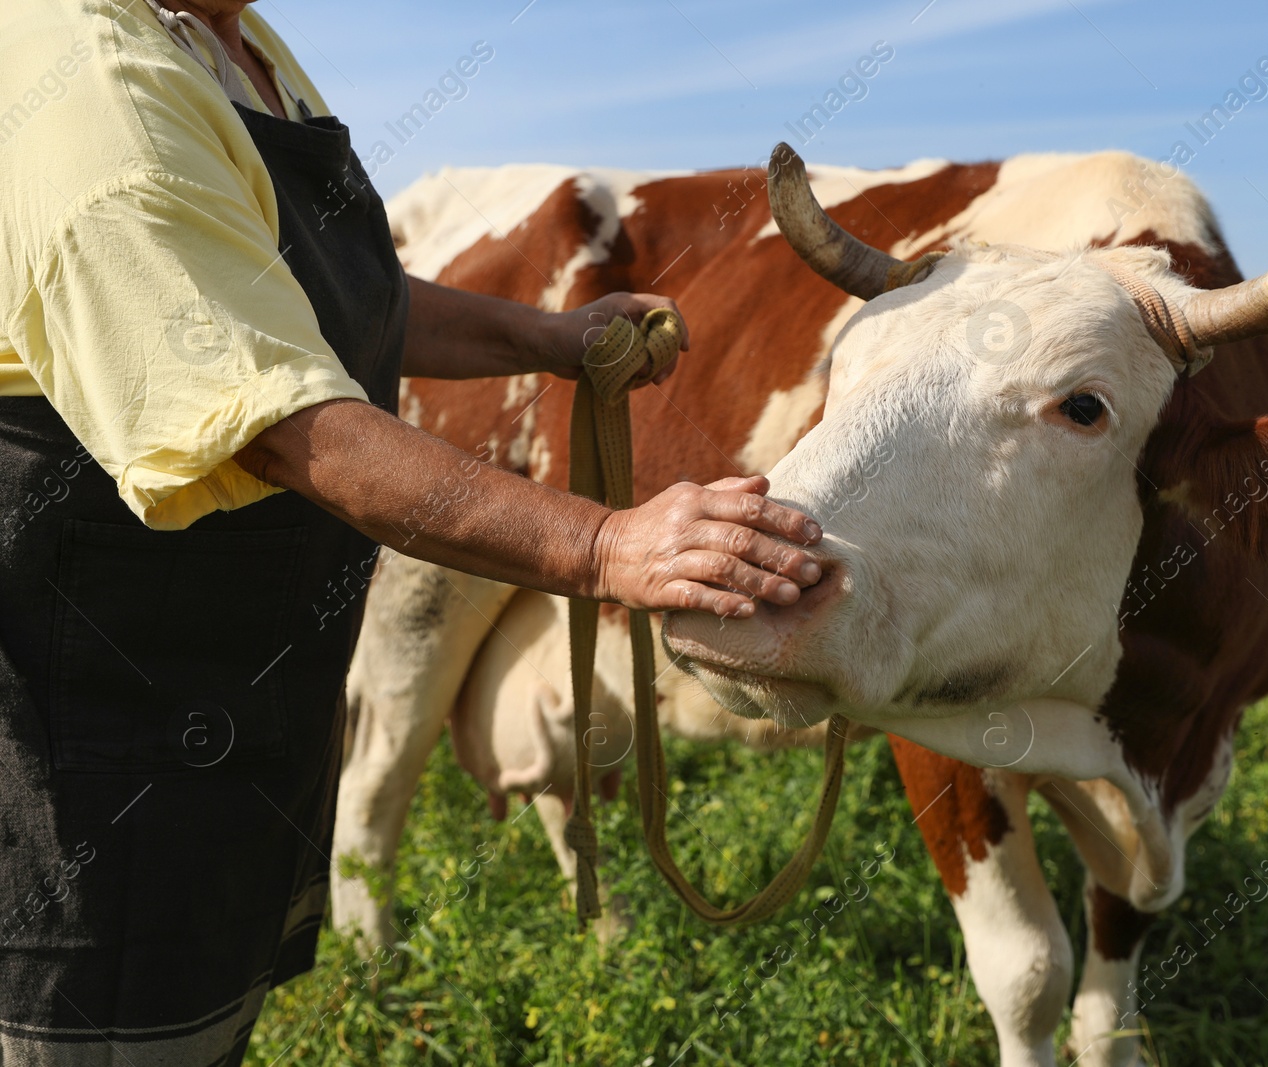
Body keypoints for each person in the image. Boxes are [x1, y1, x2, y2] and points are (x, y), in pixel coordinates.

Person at [0, 1, 821, 1062]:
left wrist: (548, 335)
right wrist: (608, 547)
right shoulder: (93, 89)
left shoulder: (234, 43)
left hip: (233, 690)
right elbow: (290, 426)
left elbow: (334, 298)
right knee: (104, 1024)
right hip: (105, 719)